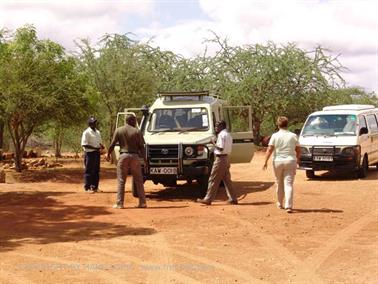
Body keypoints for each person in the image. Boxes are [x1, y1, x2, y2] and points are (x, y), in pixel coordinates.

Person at [107, 114, 147, 209]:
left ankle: (120, 203)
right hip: (135, 156)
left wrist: (108, 153)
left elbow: (112, 144)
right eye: (135, 121)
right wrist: (145, 159)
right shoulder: (137, 131)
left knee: (121, 180)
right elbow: (142, 147)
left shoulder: (119, 130)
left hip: (123, 156)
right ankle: (142, 203)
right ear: (131, 121)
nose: (136, 122)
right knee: (138, 180)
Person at [263, 116, 301, 213]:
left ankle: (280, 203)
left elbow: (270, 149)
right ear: (287, 124)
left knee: (279, 183)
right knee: (288, 184)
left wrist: (265, 161)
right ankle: (288, 206)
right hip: (290, 160)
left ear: (278, 124)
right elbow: (298, 149)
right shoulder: (293, 135)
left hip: (278, 161)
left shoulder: (275, 136)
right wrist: (298, 160)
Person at [196, 120, 238, 205]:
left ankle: (208, 199)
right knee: (227, 180)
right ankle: (233, 198)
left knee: (213, 178)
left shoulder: (221, 135)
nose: (215, 128)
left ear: (221, 126)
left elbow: (220, 148)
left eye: (216, 126)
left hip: (220, 159)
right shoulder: (228, 134)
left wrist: (213, 143)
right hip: (226, 158)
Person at [81, 116, 104, 193]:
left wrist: (101, 146)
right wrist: (94, 148)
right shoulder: (86, 132)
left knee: (96, 170)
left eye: (95, 122)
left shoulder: (97, 132)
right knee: (89, 171)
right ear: (89, 124)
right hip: (90, 153)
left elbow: (100, 142)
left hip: (97, 153)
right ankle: (87, 187)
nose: (95, 124)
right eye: (93, 123)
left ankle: (94, 187)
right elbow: (84, 144)